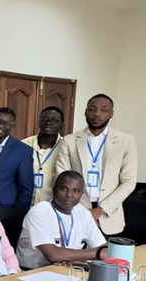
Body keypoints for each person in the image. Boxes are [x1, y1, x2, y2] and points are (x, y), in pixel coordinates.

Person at [55, 94, 137, 235]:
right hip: (75, 212)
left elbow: (129, 182)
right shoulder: (69, 140)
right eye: (92, 109)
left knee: (107, 250)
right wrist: (83, 212)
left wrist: (100, 210)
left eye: (103, 110)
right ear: (85, 111)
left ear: (111, 114)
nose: (97, 113)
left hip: (109, 216)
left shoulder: (125, 141)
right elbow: (62, 177)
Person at [17, 171, 107, 269]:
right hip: (32, 271)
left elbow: (103, 247)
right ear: (54, 190)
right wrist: (97, 253)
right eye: (64, 189)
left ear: (81, 194)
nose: (69, 195)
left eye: (76, 191)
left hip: (67, 269)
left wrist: (77, 259)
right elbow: (53, 255)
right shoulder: (40, 212)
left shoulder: (83, 213)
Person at [22, 106, 64, 204]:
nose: (48, 122)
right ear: (39, 122)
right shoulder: (24, 144)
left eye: (54, 120)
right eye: (45, 119)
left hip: (51, 204)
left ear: (62, 125)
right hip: (24, 203)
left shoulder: (65, 147)